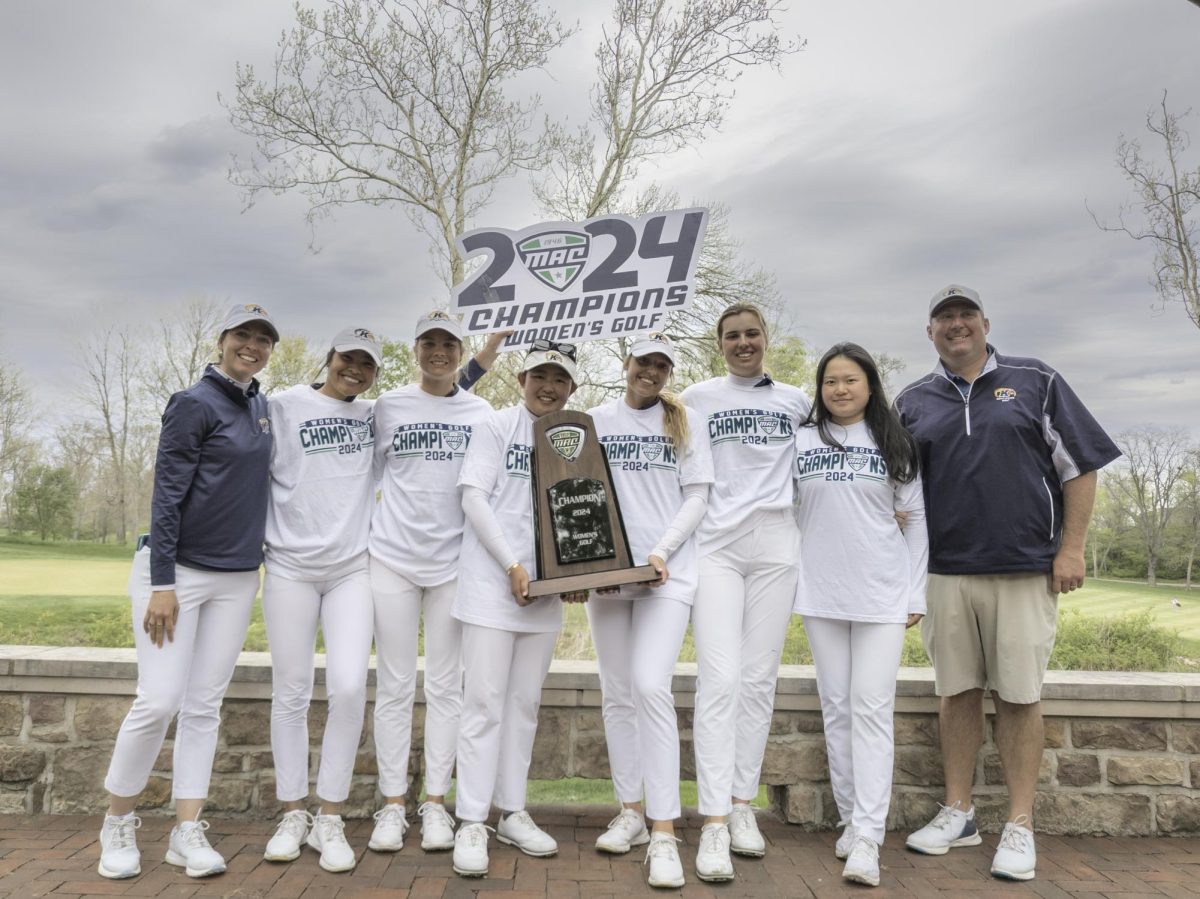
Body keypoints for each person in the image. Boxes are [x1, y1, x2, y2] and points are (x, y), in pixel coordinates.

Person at [895, 285, 1120, 881]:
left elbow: (1081, 466)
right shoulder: (912, 401)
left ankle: (1019, 823)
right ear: (930, 332)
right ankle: (960, 812)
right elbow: (898, 492)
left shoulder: (1036, 379)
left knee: (1019, 697)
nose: (957, 325)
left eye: (966, 315)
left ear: (986, 323)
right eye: (944, 317)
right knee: (957, 694)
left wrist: (1070, 549)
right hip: (944, 572)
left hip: (1024, 568)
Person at [97, 304, 279, 880]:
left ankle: (185, 830)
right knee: (158, 699)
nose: (252, 346)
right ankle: (117, 822)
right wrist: (163, 583)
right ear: (222, 341)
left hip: (237, 578)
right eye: (242, 336)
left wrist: (473, 369)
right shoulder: (193, 402)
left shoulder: (262, 408)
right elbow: (167, 494)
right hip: (178, 576)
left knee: (205, 705)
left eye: (262, 339)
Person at [680, 304, 810, 882]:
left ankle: (739, 805)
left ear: (766, 339)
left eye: (751, 333)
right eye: (731, 336)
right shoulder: (695, 397)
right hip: (717, 546)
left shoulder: (796, 401)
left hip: (778, 542)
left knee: (759, 680)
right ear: (720, 344)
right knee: (721, 678)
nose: (742, 343)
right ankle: (710, 822)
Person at [449, 341, 587, 878]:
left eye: (559, 378)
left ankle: (512, 811)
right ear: (522, 377)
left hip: (544, 593)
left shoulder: (573, 434)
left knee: (523, 706)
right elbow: (474, 498)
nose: (548, 386)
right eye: (539, 375)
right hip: (491, 588)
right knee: (483, 705)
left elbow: (583, 504)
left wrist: (579, 574)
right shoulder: (494, 425)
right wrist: (511, 565)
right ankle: (470, 821)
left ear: (572, 386)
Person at [793, 342, 928, 888]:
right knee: (837, 708)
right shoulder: (801, 440)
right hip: (820, 593)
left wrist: (914, 594)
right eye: (830, 382)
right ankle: (851, 820)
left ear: (870, 385)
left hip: (881, 593)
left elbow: (915, 517)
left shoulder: (894, 441)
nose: (839, 389)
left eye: (850, 380)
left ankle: (870, 837)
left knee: (871, 708)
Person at [586, 332, 713, 889]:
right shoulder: (591, 419)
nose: (652, 372)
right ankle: (631, 812)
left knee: (649, 686)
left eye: (662, 364)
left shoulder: (682, 420)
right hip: (608, 579)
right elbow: (574, 491)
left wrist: (661, 551)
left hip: (668, 575)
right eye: (644, 362)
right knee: (617, 693)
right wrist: (587, 564)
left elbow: (697, 495)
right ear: (626, 362)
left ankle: (665, 832)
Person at [366, 311, 493, 855]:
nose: (438, 351)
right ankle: (393, 803)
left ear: (460, 352)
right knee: (394, 685)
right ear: (415, 349)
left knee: (446, 687)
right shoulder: (387, 406)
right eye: (429, 343)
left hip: (454, 564)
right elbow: (364, 473)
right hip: (391, 558)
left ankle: (435, 803)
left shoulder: (482, 411)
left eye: (448, 344)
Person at [260, 326, 382, 873]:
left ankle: (328, 816)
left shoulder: (375, 416)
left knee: (350, 686)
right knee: (291, 690)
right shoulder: (283, 406)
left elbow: (444, 395)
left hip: (352, 569)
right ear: (328, 359)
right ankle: (293, 812)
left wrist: (486, 352)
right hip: (288, 566)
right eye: (346, 359)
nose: (354, 369)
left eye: (366, 364)